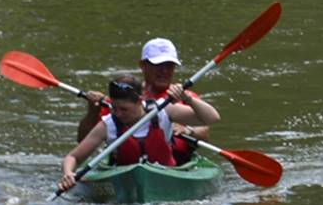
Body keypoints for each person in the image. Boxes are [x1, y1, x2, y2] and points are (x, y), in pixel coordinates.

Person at [56, 75, 210, 192]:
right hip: (124, 179)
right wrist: (68, 173)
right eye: (115, 108)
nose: (118, 114)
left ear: (139, 101)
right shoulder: (108, 124)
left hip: (167, 173)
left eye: (124, 109)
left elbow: (211, 118)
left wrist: (188, 99)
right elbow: (73, 157)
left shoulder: (163, 111)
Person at [75, 37, 219, 143]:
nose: (164, 71)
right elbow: (83, 140)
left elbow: (204, 129)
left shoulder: (182, 95)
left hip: (174, 161)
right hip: (128, 160)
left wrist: (188, 131)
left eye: (169, 65)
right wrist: (92, 112)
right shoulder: (123, 97)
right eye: (158, 65)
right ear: (143, 65)